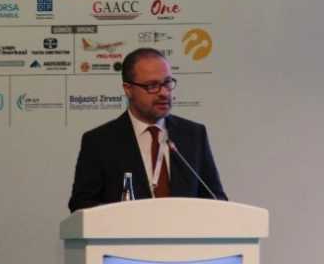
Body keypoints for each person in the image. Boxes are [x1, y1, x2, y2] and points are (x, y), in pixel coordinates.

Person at [68, 47, 228, 212]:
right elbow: (82, 205)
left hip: (184, 228)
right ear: (128, 89)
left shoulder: (194, 135)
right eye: (152, 85)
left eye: (167, 83)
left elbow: (216, 198)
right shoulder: (100, 142)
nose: (164, 93)